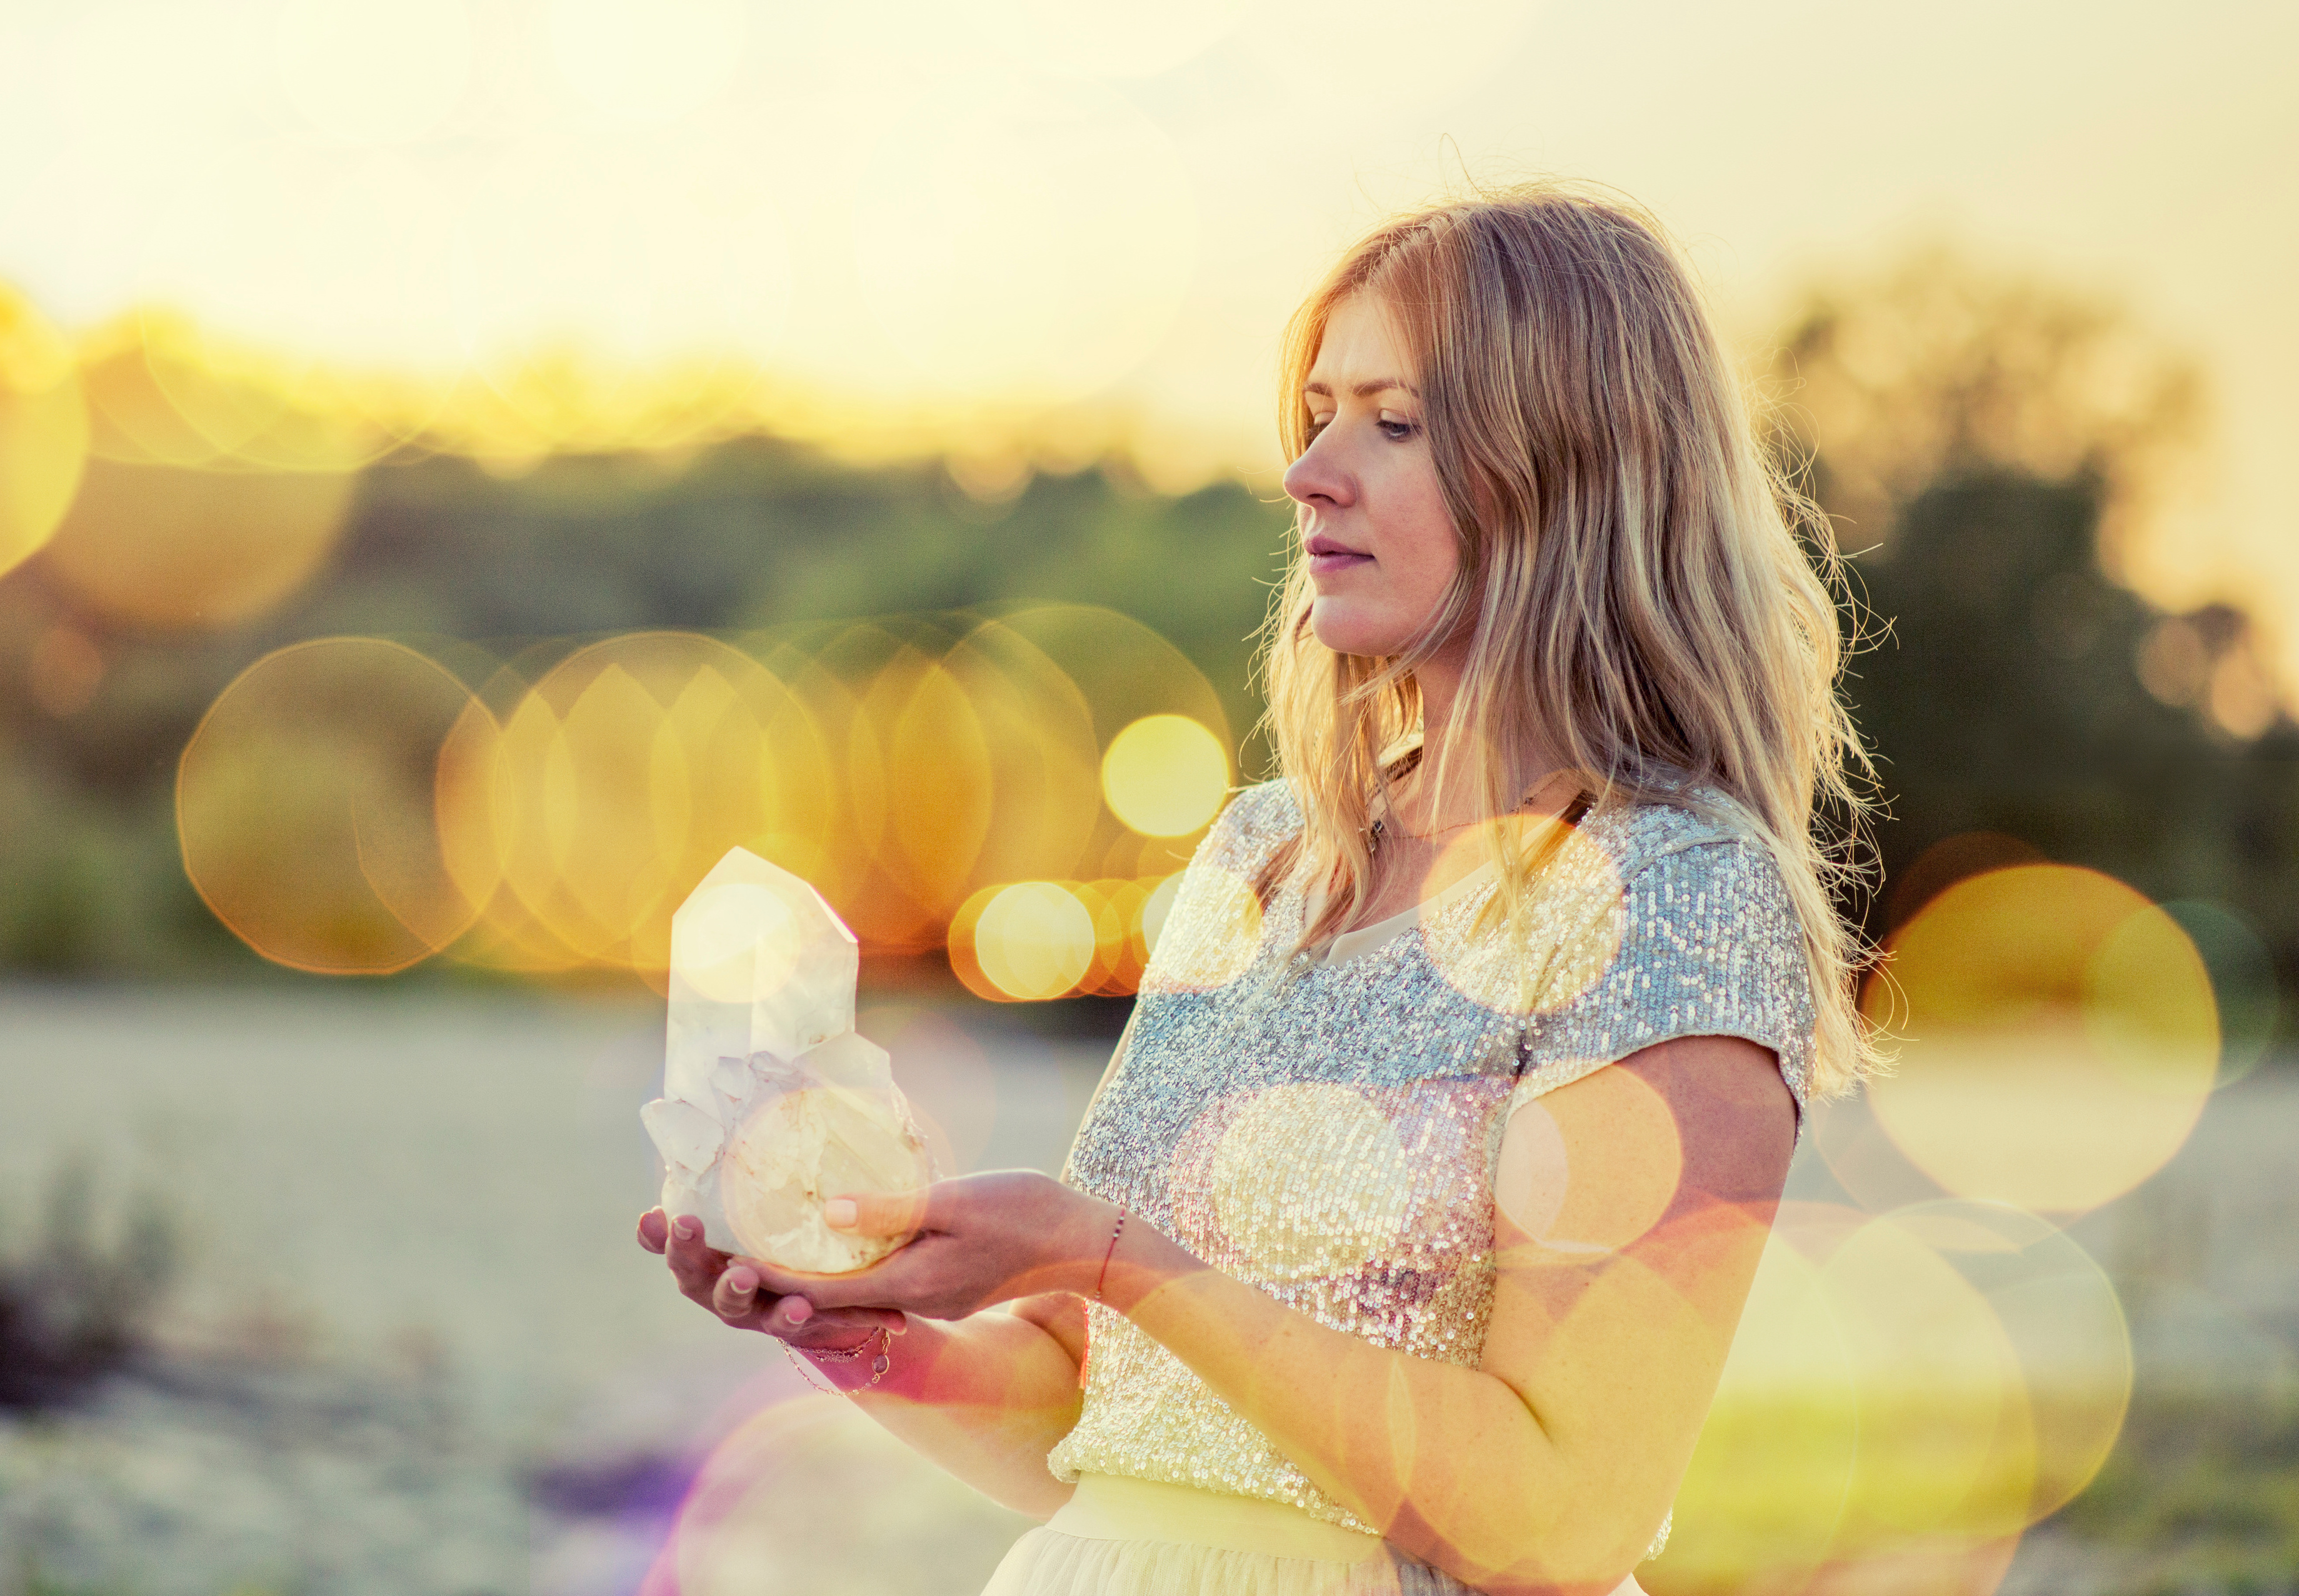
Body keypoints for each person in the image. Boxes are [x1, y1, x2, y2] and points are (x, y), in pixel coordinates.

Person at [636, 182, 1875, 1595]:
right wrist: (840, 1317)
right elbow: (1083, 1421)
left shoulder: (1673, 894)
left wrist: (1106, 1252)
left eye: (1392, 423)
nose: (1309, 473)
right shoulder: (1260, 857)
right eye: (1317, 414)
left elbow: (1561, 1518)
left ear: (1576, 468)